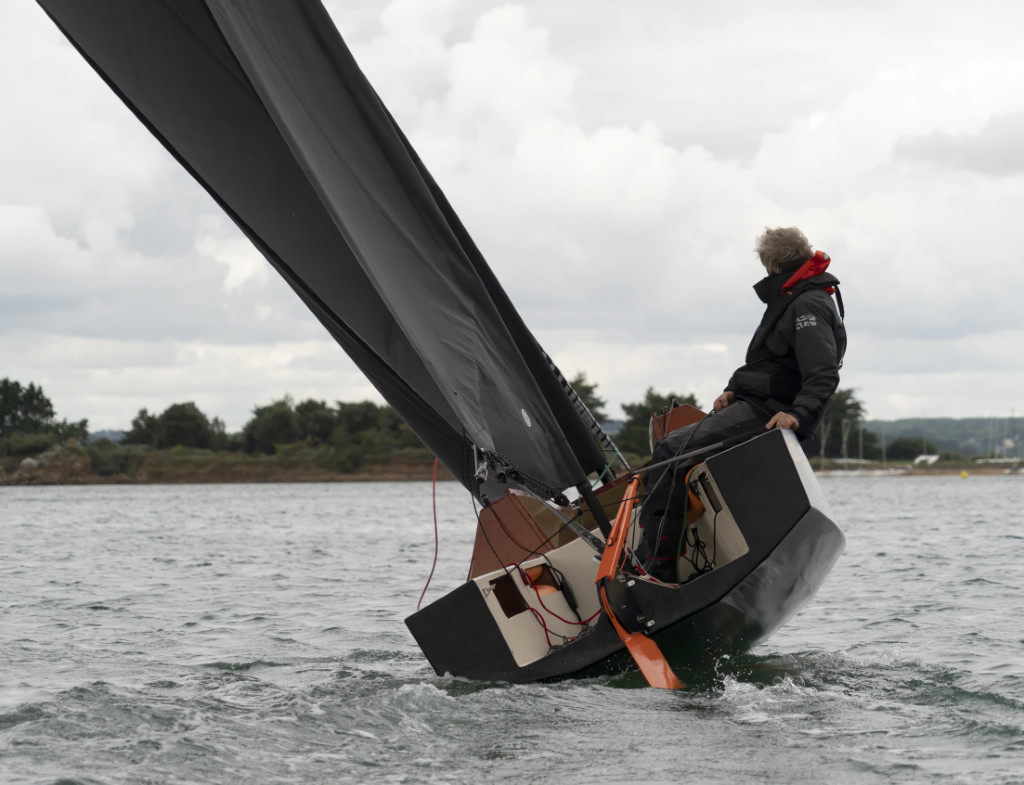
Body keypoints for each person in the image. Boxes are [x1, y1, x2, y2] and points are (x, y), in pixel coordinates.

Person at [637, 226, 847, 580]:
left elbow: (823, 373)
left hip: (769, 412)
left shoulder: (806, 302)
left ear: (771, 265)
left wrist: (796, 414)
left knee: (671, 452)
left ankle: (656, 568)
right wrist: (733, 388)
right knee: (673, 453)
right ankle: (663, 556)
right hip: (756, 402)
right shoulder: (794, 295)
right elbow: (770, 362)